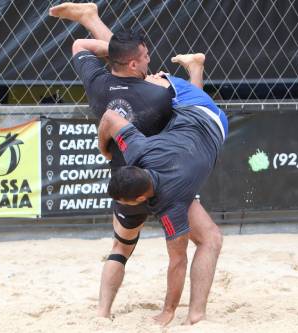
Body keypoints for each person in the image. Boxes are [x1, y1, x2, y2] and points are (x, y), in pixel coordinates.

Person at [49, 3, 223, 325]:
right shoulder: (157, 92)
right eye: (142, 58)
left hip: (124, 182)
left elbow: (80, 46)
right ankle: (194, 315)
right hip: (161, 178)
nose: (148, 60)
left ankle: (102, 313)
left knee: (121, 246)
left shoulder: (98, 83)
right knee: (208, 240)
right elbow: (192, 108)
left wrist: (104, 149)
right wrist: (186, 77)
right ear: (133, 63)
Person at [99, 64, 228, 325]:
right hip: (193, 125)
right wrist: (104, 149)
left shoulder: (173, 206)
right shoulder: (141, 151)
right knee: (210, 238)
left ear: (139, 200)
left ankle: (195, 68)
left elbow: (177, 262)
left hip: (201, 110)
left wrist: (168, 311)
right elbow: (110, 118)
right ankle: (196, 315)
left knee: (149, 77)